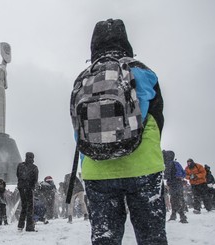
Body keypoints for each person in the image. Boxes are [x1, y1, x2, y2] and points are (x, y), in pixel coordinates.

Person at [76, 19, 167, 244]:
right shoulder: (142, 72)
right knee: (151, 237)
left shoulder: (84, 78)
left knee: (105, 238)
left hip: (97, 169)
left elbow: (77, 129)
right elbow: (157, 118)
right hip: (143, 166)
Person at [163, 150, 188, 223]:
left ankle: (179, 216)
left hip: (173, 183)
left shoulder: (168, 164)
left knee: (174, 199)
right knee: (178, 198)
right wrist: (180, 177)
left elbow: (166, 175)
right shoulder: (176, 163)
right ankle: (180, 215)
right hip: (177, 183)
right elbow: (184, 173)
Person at [16, 152, 39, 232]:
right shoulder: (34, 167)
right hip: (29, 188)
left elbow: (17, 175)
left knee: (24, 206)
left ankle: (20, 225)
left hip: (21, 187)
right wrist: (32, 186)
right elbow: (35, 179)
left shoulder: (20, 165)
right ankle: (29, 226)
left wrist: (22, 183)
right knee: (30, 207)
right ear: (32, 157)